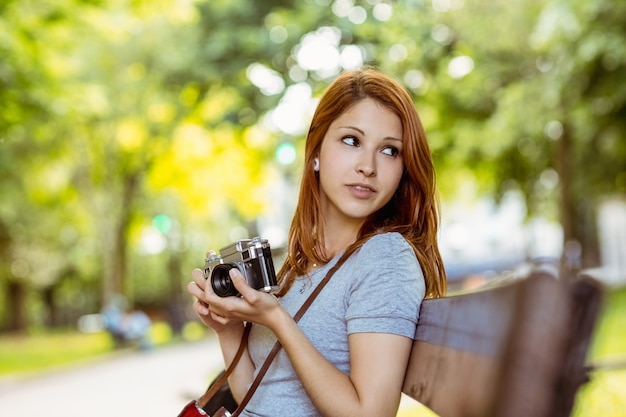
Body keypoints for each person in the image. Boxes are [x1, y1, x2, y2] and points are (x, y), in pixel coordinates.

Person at [187, 68, 447, 417]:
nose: (367, 166)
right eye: (352, 141)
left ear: (404, 169)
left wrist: (278, 320)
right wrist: (229, 329)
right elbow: (257, 396)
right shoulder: (301, 265)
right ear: (316, 152)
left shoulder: (385, 258)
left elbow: (369, 414)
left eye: (389, 150)